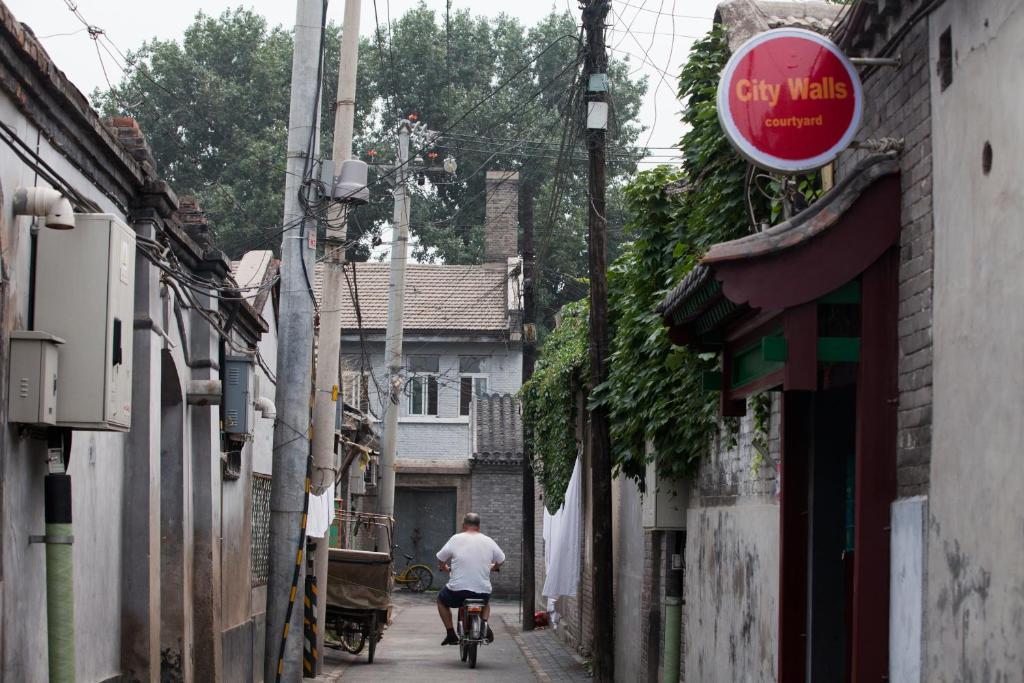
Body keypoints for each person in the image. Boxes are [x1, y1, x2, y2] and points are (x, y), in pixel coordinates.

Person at [435, 512, 505, 646]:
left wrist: (443, 566)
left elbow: (441, 558)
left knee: (441, 600)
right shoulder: (488, 540)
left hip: (457, 592)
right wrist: (494, 566)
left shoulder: (456, 539)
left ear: (463, 526)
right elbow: (501, 559)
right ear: (479, 527)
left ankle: (451, 634)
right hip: (481, 592)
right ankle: (484, 624)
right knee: (485, 600)